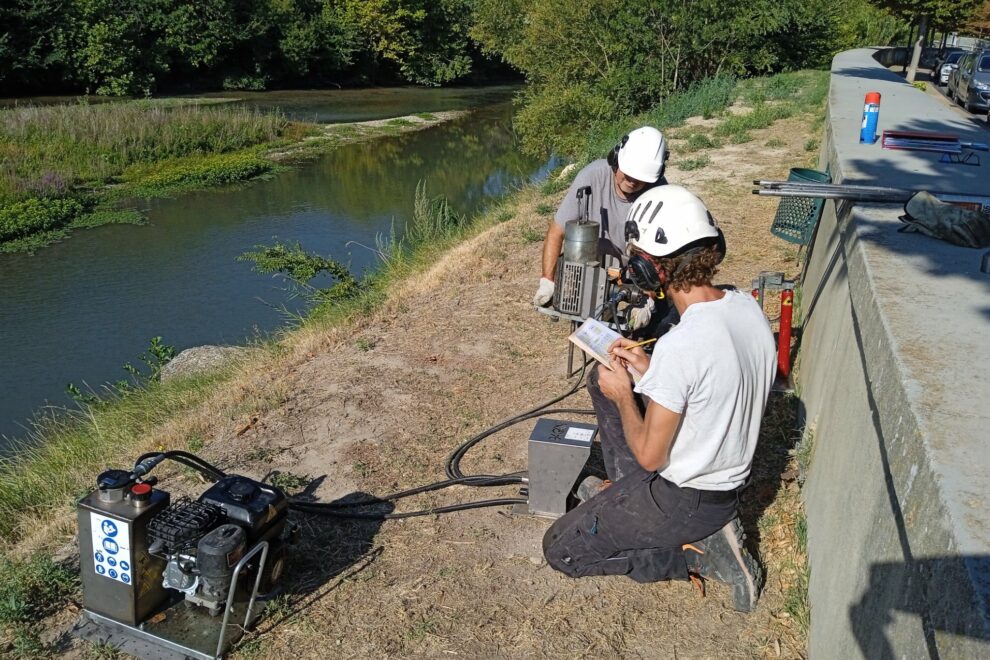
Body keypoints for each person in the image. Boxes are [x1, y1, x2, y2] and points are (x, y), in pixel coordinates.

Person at [542, 185, 775, 613]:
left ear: (651, 270)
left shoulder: (684, 343)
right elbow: (711, 379)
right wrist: (648, 367)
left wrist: (625, 396)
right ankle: (630, 500)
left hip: (686, 498)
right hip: (720, 481)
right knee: (603, 381)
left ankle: (697, 553)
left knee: (560, 549)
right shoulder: (746, 306)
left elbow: (650, 456)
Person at [533, 126, 669, 311]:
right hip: (595, 265)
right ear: (615, 159)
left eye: (640, 178)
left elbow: (663, 253)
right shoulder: (591, 176)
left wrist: (649, 296)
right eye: (628, 174)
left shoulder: (660, 191)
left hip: (639, 268)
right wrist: (548, 281)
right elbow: (556, 232)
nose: (632, 181)